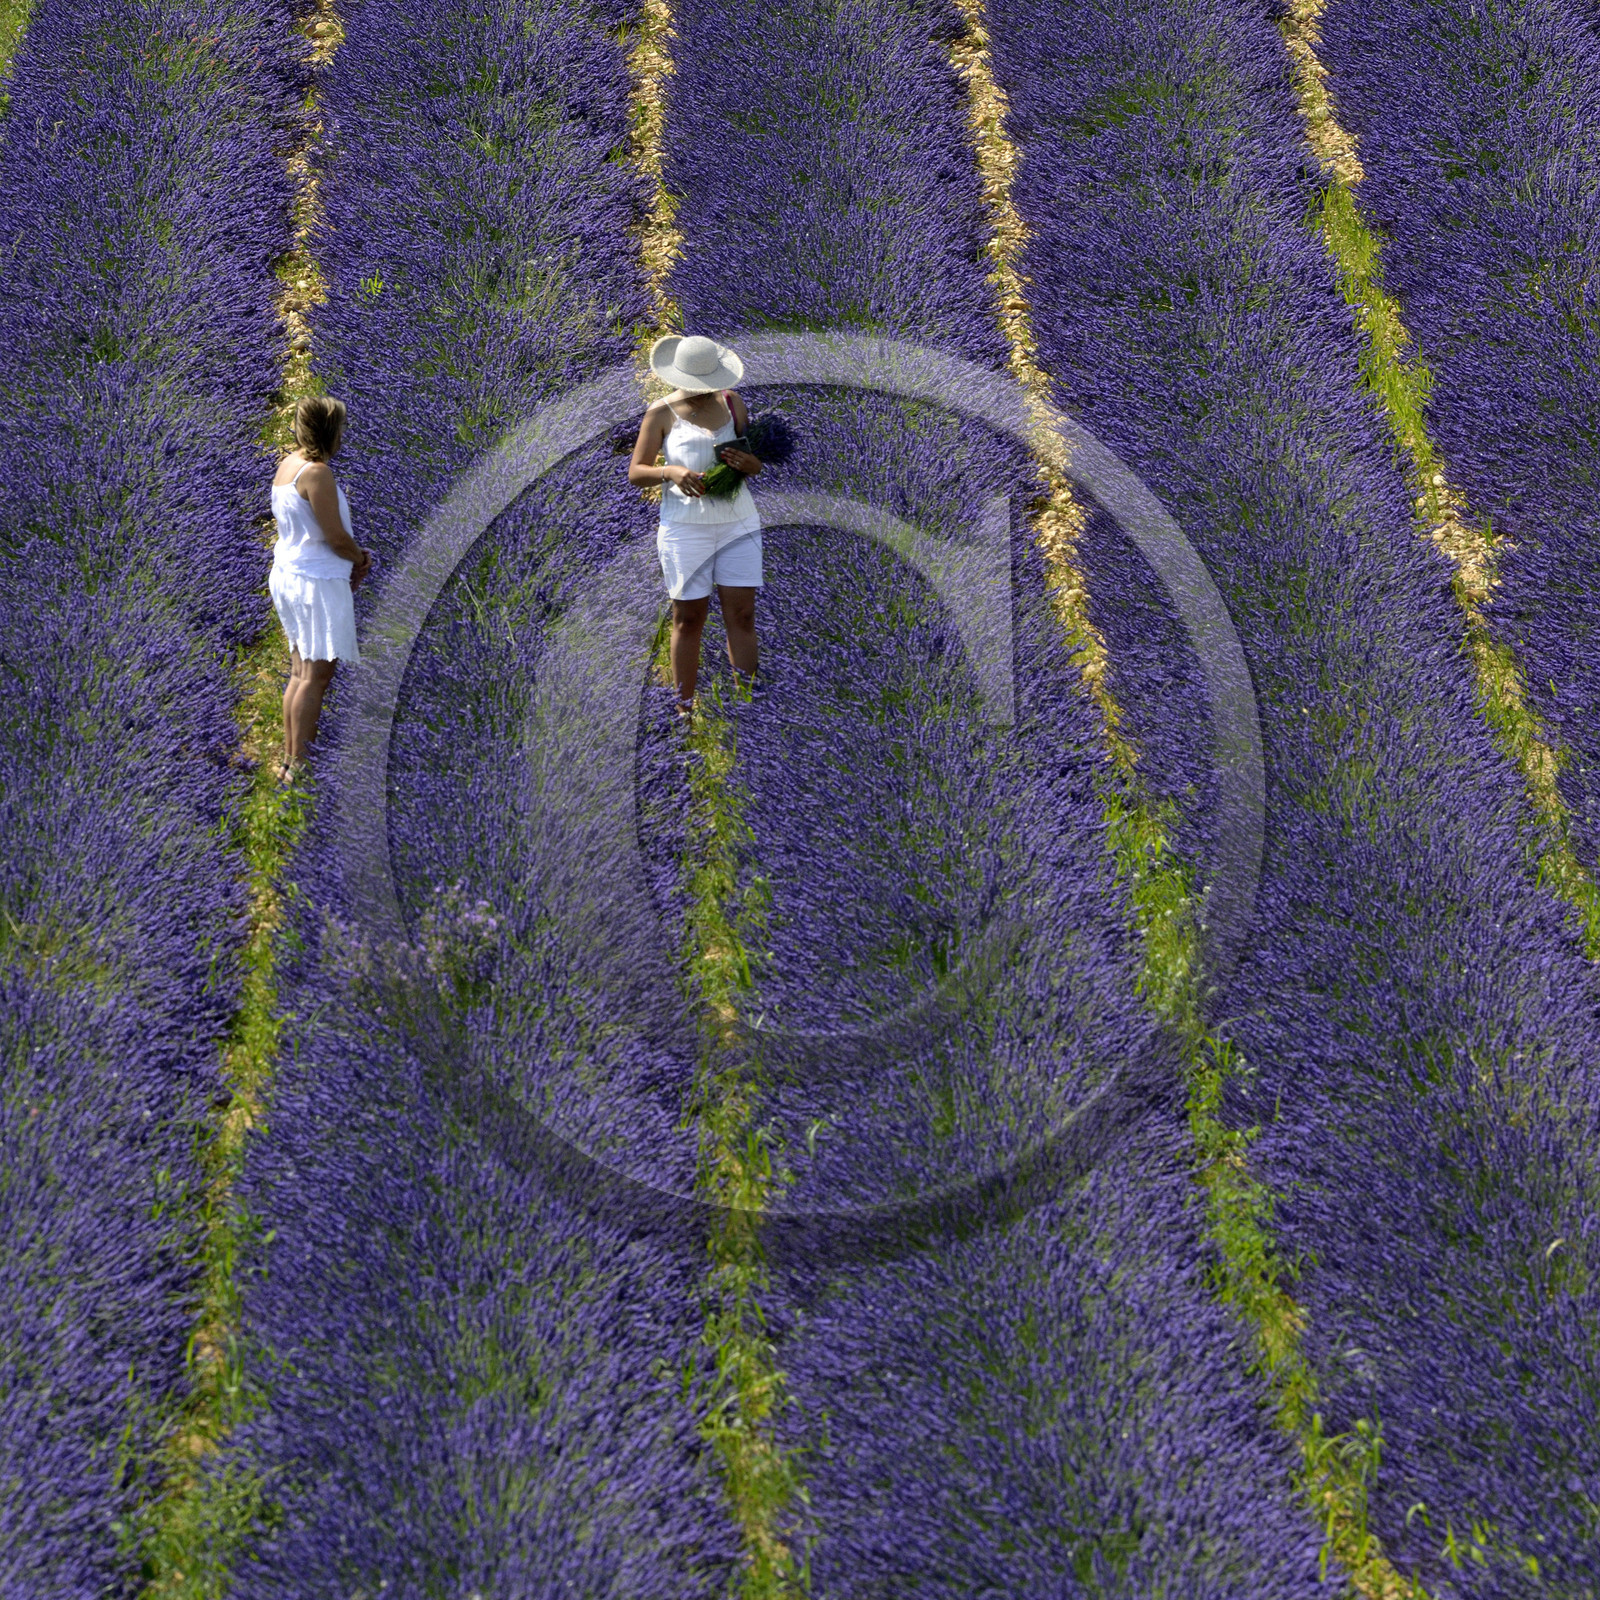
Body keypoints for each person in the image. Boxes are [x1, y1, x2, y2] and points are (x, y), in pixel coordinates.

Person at [628, 334, 764, 715]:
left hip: (739, 523)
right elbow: (636, 472)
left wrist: (749, 465)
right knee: (688, 619)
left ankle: (749, 707)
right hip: (685, 528)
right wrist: (670, 471)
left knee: (742, 616)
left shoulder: (733, 403)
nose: (704, 392)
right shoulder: (660, 413)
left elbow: (754, 463)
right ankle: (683, 711)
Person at [268, 395, 372, 782]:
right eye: (341, 428)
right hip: (316, 582)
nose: (344, 435)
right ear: (330, 432)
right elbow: (334, 538)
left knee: (300, 673)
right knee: (316, 676)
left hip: (290, 576)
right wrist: (360, 559)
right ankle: (300, 767)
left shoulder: (288, 466)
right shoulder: (316, 473)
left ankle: (289, 762)